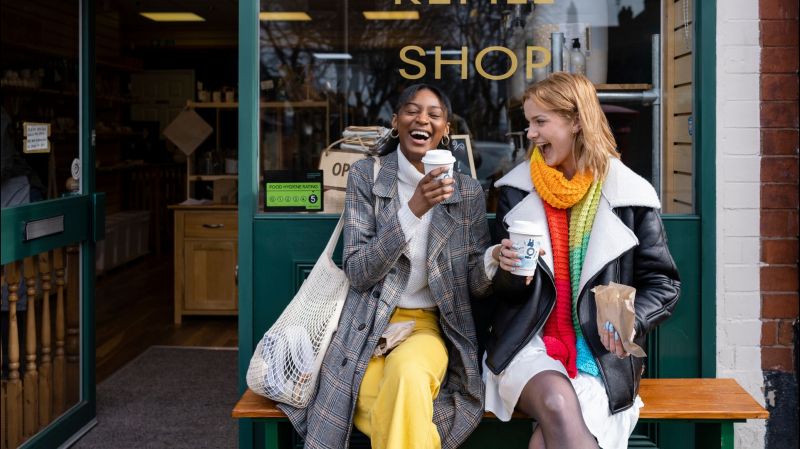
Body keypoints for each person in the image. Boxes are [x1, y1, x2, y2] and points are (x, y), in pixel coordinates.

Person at [279, 84, 494, 449]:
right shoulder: (366, 175)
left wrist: (492, 262)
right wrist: (412, 210)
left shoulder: (468, 191)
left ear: (445, 131)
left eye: (434, 114)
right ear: (396, 122)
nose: (421, 119)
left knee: (408, 376)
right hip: (367, 325)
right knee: (402, 403)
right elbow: (359, 271)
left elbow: (473, 283)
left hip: (428, 325)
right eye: (411, 110)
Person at [482, 73, 681, 449]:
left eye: (541, 122)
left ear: (576, 121)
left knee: (545, 441)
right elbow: (503, 293)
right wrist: (506, 270)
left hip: (602, 352)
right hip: (528, 342)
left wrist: (633, 321)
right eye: (529, 123)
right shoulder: (515, 190)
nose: (530, 134)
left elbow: (664, 284)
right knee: (557, 401)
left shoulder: (629, 195)